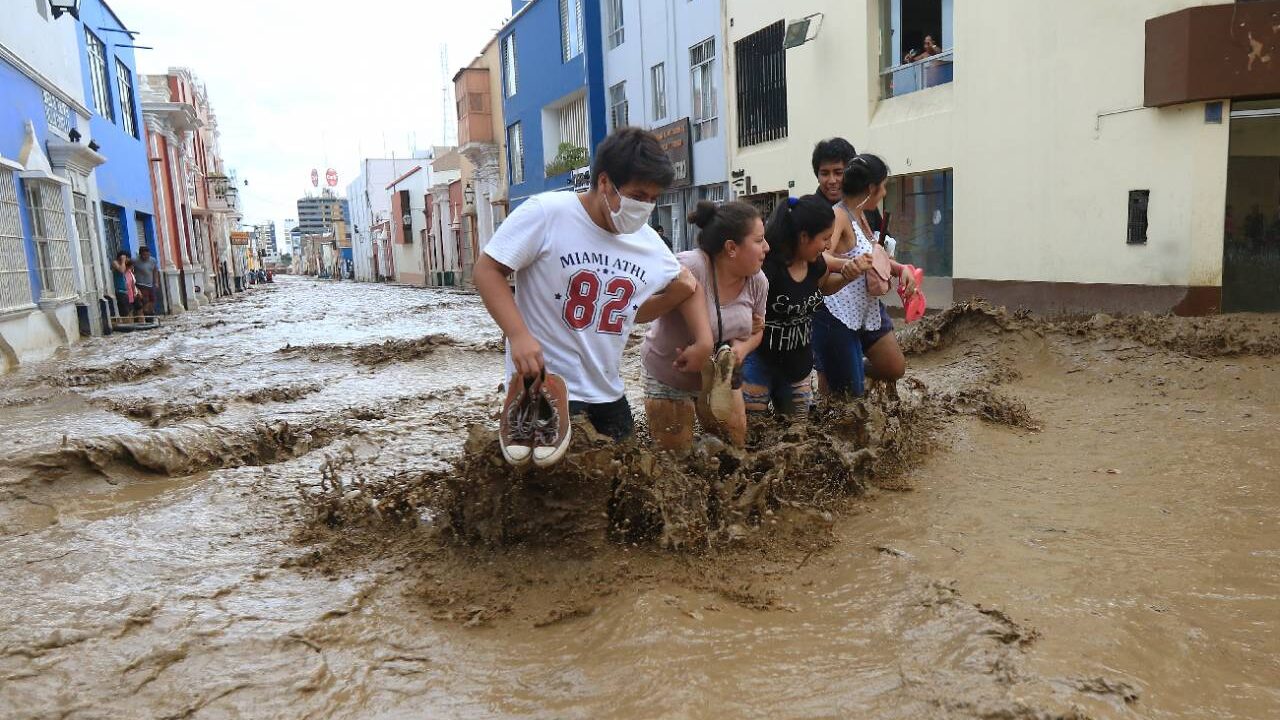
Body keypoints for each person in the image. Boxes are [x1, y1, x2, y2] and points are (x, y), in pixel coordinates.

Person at [474, 127, 713, 441]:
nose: (645, 207)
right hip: (547, 385)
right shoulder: (548, 214)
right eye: (638, 196)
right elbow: (487, 270)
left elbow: (684, 287)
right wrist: (518, 336)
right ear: (604, 182)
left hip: (608, 392)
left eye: (654, 199)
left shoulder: (648, 243)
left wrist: (703, 342)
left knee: (628, 482)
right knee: (550, 483)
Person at [641, 201, 767, 451]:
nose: (767, 247)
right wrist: (674, 296)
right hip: (669, 374)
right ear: (731, 247)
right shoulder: (690, 266)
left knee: (733, 450)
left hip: (721, 378)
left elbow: (758, 330)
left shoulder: (758, 281)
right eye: (759, 240)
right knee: (676, 464)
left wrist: (742, 349)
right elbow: (636, 307)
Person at [743, 195, 869, 417]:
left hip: (797, 366)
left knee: (798, 436)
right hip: (759, 363)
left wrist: (847, 277)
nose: (829, 245)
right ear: (803, 237)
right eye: (825, 238)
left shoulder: (816, 264)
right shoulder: (767, 269)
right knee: (754, 434)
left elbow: (824, 288)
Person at [814, 155, 918, 397]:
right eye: (883, 187)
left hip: (867, 309)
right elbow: (821, 257)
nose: (884, 193)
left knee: (894, 366)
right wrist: (847, 264)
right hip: (837, 312)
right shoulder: (838, 216)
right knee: (851, 397)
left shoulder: (863, 216)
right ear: (871, 188)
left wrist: (901, 269)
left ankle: (844, 370)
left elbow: (874, 258)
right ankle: (841, 372)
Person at [812, 138, 881, 235]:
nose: (832, 180)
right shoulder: (810, 212)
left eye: (838, 173)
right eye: (825, 174)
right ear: (817, 176)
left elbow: (884, 237)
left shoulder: (864, 204)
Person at [132, 246, 158, 317]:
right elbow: (130, 270)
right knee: (144, 301)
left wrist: (156, 282)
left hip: (150, 284)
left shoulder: (153, 260)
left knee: (153, 300)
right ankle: (144, 315)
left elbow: (155, 270)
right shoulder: (135, 261)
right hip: (140, 284)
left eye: (147, 255)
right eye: (144, 255)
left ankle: (149, 313)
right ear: (140, 254)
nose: (146, 256)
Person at [110, 251, 132, 318]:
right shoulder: (115, 263)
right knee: (124, 312)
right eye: (127, 258)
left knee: (128, 311)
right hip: (119, 291)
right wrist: (123, 261)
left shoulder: (124, 265)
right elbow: (121, 270)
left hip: (125, 292)